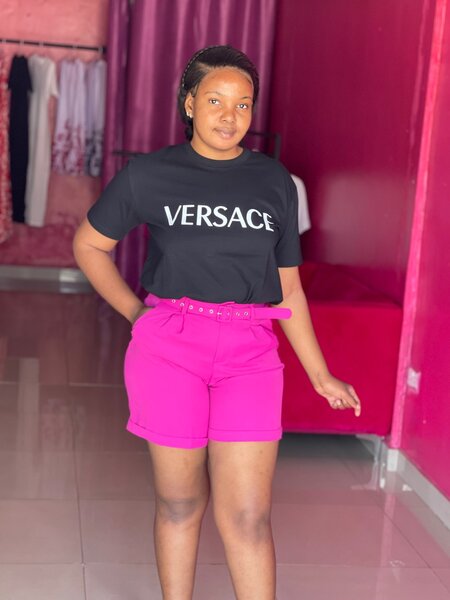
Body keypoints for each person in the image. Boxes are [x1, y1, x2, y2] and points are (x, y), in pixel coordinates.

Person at [73, 44, 361, 600]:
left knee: (249, 516)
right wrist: (136, 312)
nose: (230, 116)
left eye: (243, 104)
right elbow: (89, 245)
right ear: (189, 103)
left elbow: (289, 287)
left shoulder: (274, 181)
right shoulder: (150, 174)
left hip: (250, 353)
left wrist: (320, 373)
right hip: (169, 350)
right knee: (180, 503)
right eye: (215, 101)